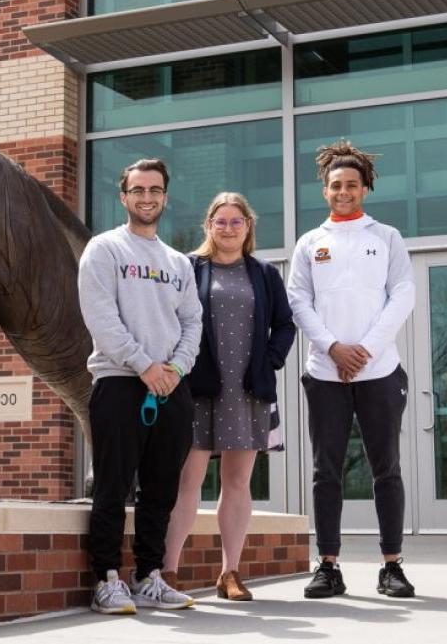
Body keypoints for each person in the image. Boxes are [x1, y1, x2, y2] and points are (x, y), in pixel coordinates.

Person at [286, 140, 417, 599]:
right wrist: (332, 347)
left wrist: (364, 349)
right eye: (335, 185)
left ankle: (392, 566)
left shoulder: (386, 238)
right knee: (327, 471)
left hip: (380, 372)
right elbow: (297, 300)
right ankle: (327, 566)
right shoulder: (310, 242)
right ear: (324, 190)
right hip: (325, 374)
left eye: (352, 185)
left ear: (365, 189)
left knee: (387, 470)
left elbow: (403, 294)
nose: (344, 192)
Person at [79, 158, 204, 614]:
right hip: (118, 383)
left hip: (172, 388)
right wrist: (143, 364)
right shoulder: (105, 249)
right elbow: (101, 317)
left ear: (165, 198)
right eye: (138, 190)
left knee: (161, 489)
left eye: (155, 190)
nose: (147, 197)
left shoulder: (178, 262)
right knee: (112, 485)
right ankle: (106, 578)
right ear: (124, 196)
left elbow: (192, 320)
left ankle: (148, 575)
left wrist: (175, 369)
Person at [162, 192, 296, 601]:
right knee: (189, 480)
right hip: (197, 387)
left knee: (237, 482)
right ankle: (167, 572)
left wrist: (270, 360)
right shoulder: (187, 267)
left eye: (236, 221)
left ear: (248, 226)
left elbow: (285, 325)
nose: (228, 228)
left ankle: (230, 573)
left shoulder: (264, 273)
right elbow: (168, 318)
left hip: (248, 390)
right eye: (220, 221)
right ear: (209, 225)